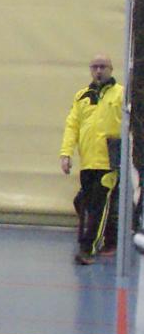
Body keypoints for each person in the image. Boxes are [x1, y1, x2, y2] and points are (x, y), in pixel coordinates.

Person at [59, 54, 123, 264]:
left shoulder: (121, 94)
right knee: (85, 203)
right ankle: (106, 239)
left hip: (109, 162)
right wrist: (66, 153)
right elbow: (72, 126)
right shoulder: (82, 96)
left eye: (103, 66)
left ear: (111, 69)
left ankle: (88, 248)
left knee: (100, 205)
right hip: (88, 162)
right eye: (95, 67)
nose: (98, 71)